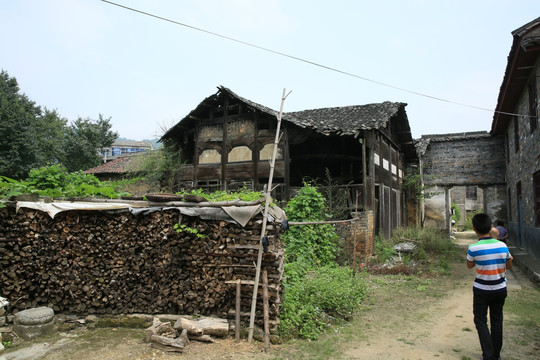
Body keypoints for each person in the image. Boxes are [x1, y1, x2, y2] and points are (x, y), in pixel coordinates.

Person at [467, 213, 513, 360]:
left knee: (480, 321)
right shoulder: (502, 245)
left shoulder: (473, 248)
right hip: (500, 288)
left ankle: (488, 355)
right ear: (491, 227)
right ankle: (496, 355)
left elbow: (469, 265)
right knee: (497, 320)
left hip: (482, 290)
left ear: (474, 228)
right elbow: (509, 265)